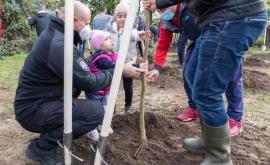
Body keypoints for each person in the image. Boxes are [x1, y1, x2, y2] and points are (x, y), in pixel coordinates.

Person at [14, 1, 145, 164]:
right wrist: (119, 72)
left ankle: (50, 134)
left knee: (78, 96)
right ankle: (41, 148)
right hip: (33, 110)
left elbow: (79, 71)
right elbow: (88, 81)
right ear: (75, 21)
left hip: (39, 102)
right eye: (87, 23)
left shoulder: (57, 35)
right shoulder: (59, 44)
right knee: (95, 111)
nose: (88, 28)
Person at [143, 0, 267, 164]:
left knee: (207, 92)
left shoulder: (184, 10)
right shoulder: (168, 21)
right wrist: (157, 67)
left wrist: (159, 1)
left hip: (233, 15)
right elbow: (164, 43)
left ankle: (220, 157)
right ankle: (209, 140)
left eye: (163, 9)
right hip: (216, 20)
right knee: (192, 76)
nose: (161, 11)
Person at [85, 30, 148, 141]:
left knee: (103, 109)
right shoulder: (100, 58)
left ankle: (100, 125)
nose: (111, 40)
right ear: (100, 45)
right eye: (107, 39)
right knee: (93, 110)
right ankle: (91, 129)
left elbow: (123, 64)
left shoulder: (113, 54)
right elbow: (114, 66)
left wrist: (138, 65)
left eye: (110, 38)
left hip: (104, 90)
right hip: (94, 91)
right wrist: (134, 66)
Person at [106, 3, 149, 114]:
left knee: (128, 87)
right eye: (120, 16)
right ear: (115, 17)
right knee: (112, 87)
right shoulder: (110, 30)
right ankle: (112, 108)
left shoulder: (131, 30)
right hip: (113, 63)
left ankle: (128, 107)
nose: (123, 19)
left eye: (126, 16)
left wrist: (140, 35)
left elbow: (135, 34)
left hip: (128, 63)